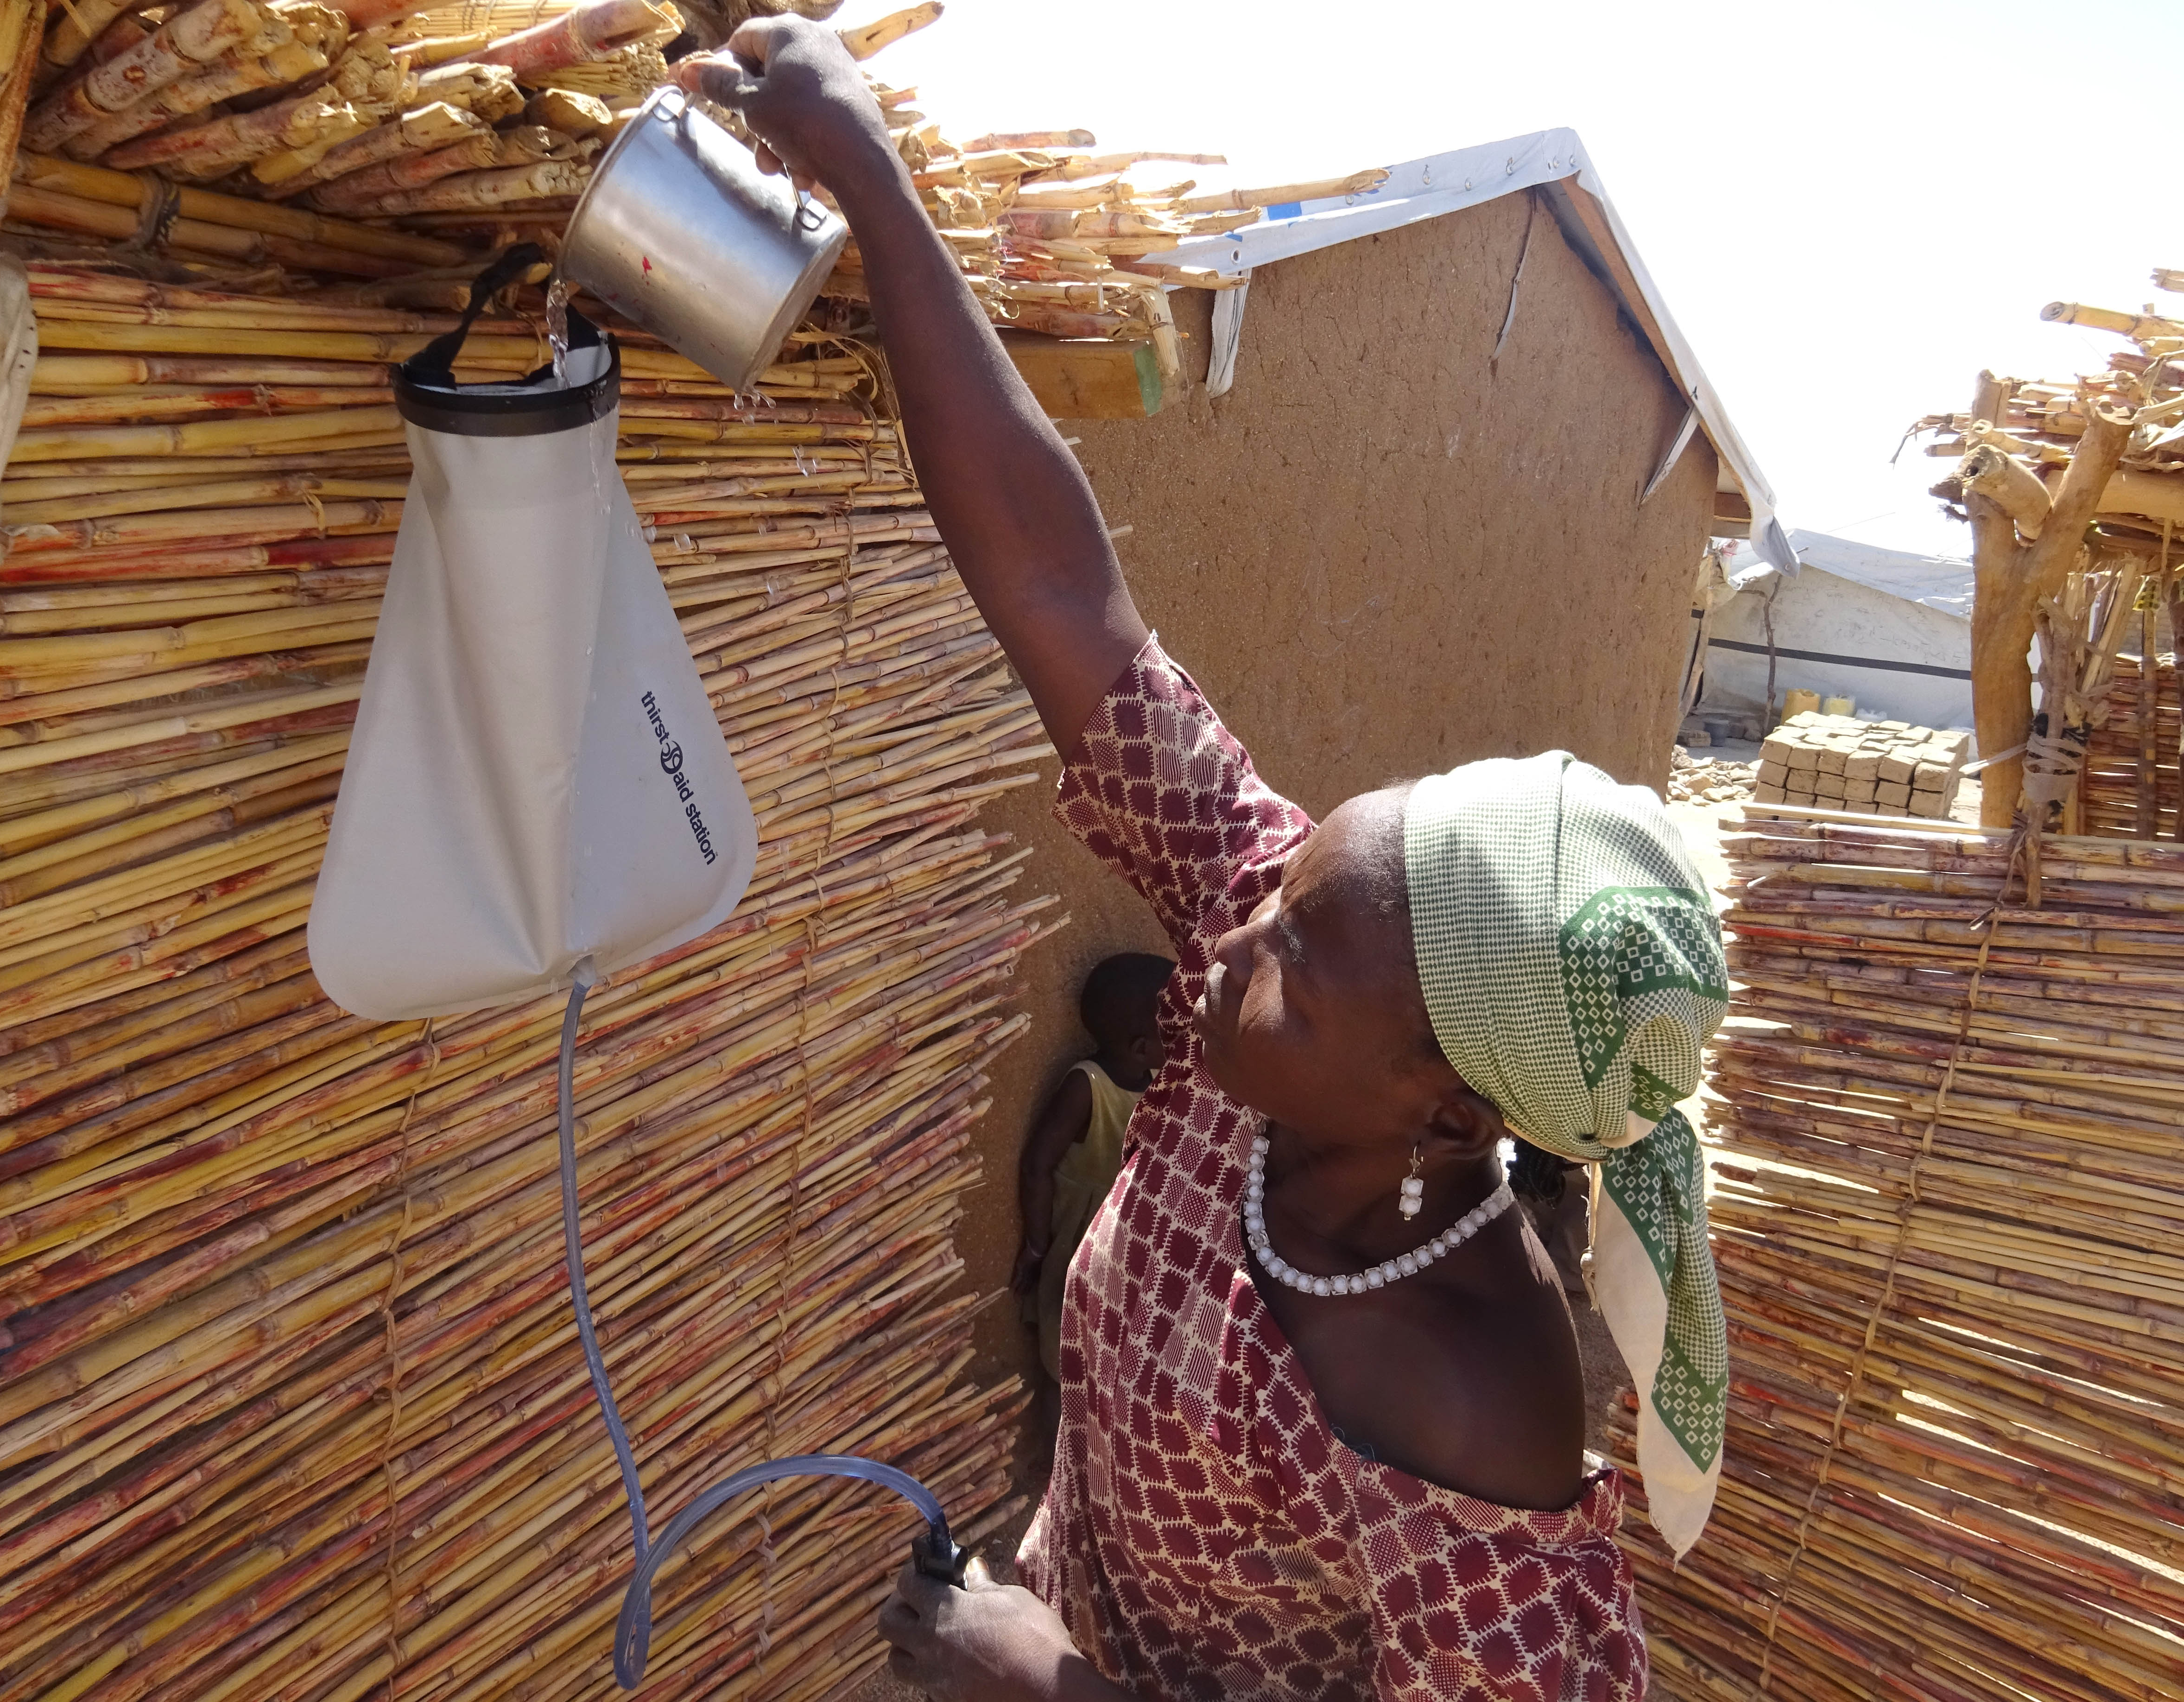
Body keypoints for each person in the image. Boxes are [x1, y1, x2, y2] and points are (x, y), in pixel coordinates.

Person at [679, 25, 1730, 1702]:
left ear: (1447, 1110)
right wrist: (870, 178)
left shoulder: (1470, 1400)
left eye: (1298, 958)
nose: (1232, 927)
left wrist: (1049, 1680)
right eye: (1289, 880)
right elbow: (1063, 594)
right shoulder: (1276, 941)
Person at [1011, 953, 1177, 1378]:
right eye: (1173, 1030)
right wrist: (1036, 1246)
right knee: (1064, 1362)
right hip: (1078, 1248)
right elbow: (1037, 1166)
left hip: (1123, 1253)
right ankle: (1058, 1438)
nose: (1185, 1035)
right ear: (1141, 1047)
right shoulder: (1087, 1087)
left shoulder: (1158, 1087)